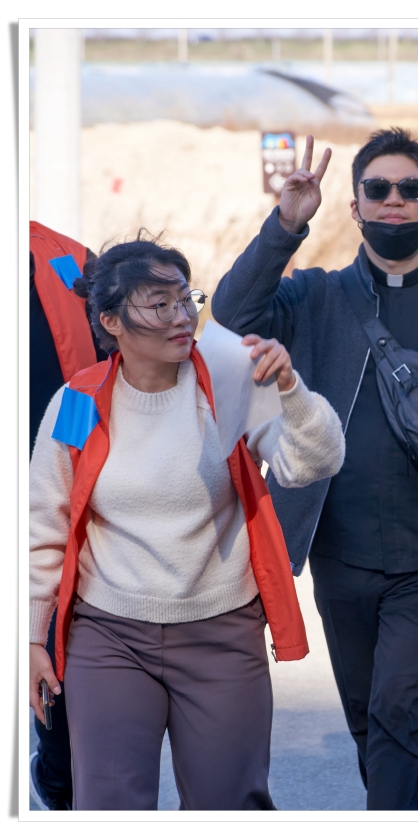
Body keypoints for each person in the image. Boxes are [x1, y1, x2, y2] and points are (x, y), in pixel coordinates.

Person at [211, 129, 418, 810]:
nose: (394, 200)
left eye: (410, 189)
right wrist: (286, 225)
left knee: (395, 709)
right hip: (339, 556)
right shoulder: (315, 297)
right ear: (354, 207)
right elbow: (230, 316)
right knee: (368, 717)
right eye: (377, 189)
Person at [29, 232, 345, 811]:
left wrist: (290, 389)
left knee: (229, 805)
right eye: (160, 304)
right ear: (111, 322)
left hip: (222, 631)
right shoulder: (78, 401)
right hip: (110, 635)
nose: (182, 317)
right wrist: (30, 636)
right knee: (107, 807)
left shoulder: (225, 380)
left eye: (185, 298)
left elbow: (311, 463)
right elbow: (44, 526)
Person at [30, 221, 108, 811]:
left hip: (59, 488)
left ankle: (63, 790)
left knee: (61, 685)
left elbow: (109, 372)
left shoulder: (70, 261)